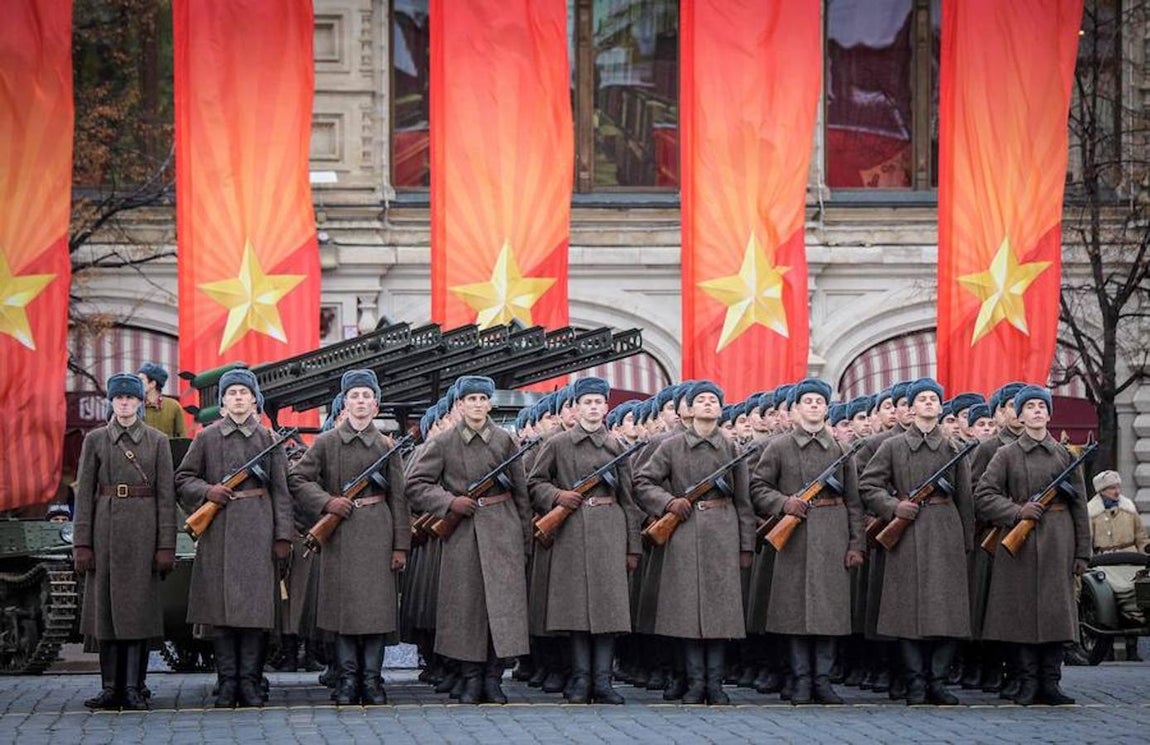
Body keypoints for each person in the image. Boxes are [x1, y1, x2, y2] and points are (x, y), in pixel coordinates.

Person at [406, 375, 533, 705]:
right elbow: (416, 484)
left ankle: (493, 678)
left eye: (482, 399)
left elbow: (521, 494)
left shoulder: (506, 442)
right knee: (465, 609)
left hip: (503, 530)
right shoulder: (443, 442)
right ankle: (470, 677)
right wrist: (449, 502)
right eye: (471, 399)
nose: (477, 404)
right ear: (460, 404)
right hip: (463, 530)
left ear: (490, 403)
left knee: (501, 610)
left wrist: (523, 540)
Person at [288, 370, 410, 705]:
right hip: (339, 535)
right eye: (354, 396)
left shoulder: (387, 446)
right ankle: (346, 681)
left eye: (366, 396)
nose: (360, 402)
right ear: (345, 402)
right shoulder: (327, 443)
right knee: (342, 615)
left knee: (375, 614)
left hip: (377, 534)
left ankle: (371, 682)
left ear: (376, 404)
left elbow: (399, 498)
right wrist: (328, 502)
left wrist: (400, 545)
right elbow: (298, 478)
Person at [175, 368, 293, 708]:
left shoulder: (268, 439)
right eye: (232, 393)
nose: (238, 398)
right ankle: (227, 684)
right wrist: (209, 491)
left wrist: (282, 535)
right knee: (222, 616)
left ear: (254, 399)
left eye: (244, 392)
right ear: (223, 402)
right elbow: (183, 479)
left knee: (255, 617)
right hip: (219, 532)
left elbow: (282, 491)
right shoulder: (206, 438)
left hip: (259, 531)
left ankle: (250, 682)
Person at [634, 380, 756, 705]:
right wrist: (667, 503)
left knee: (721, 615)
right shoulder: (671, 447)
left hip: (723, 532)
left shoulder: (732, 448)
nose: (707, 405)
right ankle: (693, 683)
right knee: (686, 614)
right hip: (683, 532)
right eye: (700, 399)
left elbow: (744, 501)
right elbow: (643, 481)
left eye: (713, 400)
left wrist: (746, 545)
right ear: (687, 408)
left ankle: (714, 685)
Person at [527, 376, 641, 704]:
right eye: (587, 402)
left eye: (598, 402)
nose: (593, 408)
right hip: (571, 530)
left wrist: (632, 545)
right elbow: (535, 483)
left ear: (607, 407)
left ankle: (602, 682)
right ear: (576, 407)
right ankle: (579, 680)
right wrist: (559, 496)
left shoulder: (617, 446)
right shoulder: (557, 444)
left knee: (608, 613)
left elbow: (628, 499)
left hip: (609, 530)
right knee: (576, 612)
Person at [860, 377, 973, 705]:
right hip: (907, 533)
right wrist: (895, 506)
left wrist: (965, 540)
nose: (928, 404)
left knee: (948, 614)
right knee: (907, 613)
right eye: (921, 399)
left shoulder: (954, 448)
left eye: (933, 399)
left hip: (945, 531)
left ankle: (937, 681)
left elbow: (965, 498)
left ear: (940, 406)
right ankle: (915, 684)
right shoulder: (893, 446)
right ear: (910, 407)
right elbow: (869, 485)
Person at [975, 386, 1090, 705]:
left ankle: (1050, 683)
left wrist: (1082, 552)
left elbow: (1080, 505)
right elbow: (984, 495)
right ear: (1020, 414)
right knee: (1020, 616)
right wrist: (1016, 512)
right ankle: (1026, 682)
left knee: (1057, 615)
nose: (1037, 411)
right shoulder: (1005, 454)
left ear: (1050, 415)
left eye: (1043, 406)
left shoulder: (1066, 455)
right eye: (1031, 407)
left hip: (1058, 541)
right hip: (1019, 544)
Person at [751, 379, 864, 705]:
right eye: (808, 401)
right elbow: (758, 487)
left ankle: (823, 682)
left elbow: (855, 502)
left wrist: (856, 544)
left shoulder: (841, 450)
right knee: (794, 614)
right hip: (795, 536)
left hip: (832, 534)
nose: (814, 406)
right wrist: (784, 503)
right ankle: (800, 681)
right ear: (796, 408)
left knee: (829, 615)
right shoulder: (779, 447)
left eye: (819, 401)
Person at [73, 373, 176, 710]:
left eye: (131, 399)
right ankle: (109, 688)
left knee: (137, 613)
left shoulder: (157, 441)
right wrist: (82, 544)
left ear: (139, 402)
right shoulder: (96, 440)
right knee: (105, 614)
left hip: (144, 534)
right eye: (119, 398)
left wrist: (165, 546)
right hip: (104, 533)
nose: (125, 403)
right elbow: (84, 494)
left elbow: (165, 497)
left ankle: (132, 687)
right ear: (112, 402)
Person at [1087, 470, 1147, 658]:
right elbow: (1087, 540)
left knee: (1137, 591)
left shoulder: (1129, 509)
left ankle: (1132, 648)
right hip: (1104, 563)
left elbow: (1141, 537)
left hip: (1130, 560)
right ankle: (1108, 649)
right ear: (1102, 491)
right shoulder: (1091, 512)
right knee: (1107, 594)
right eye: (1112, 487)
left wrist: (1146, 552)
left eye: (1117, 487)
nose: (1116, 491)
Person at [137, 363, 187, 438]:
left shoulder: (173, 407)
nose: (137, 383)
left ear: (152, 384)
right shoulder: (136, 406)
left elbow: (182, 438)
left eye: (141, 380)